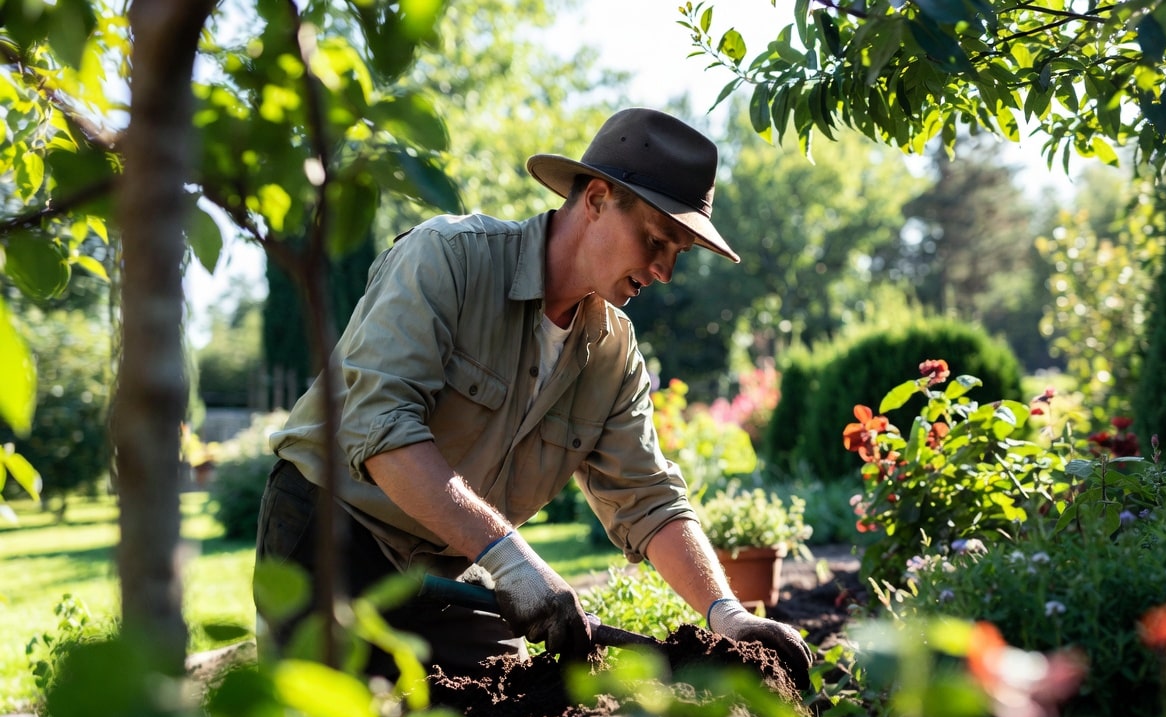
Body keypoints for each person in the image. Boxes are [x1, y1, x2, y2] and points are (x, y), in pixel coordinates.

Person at [254, 107, 813, 686]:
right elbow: (383, 433)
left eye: (679, 252)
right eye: (655, 239)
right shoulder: (447, 259)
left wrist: (727, 613)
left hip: (451, 558)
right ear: (596, 199)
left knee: (514, 695)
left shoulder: (613, 353)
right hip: (331, 532)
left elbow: (649, 499)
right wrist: (509, 559)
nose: (665, 269)